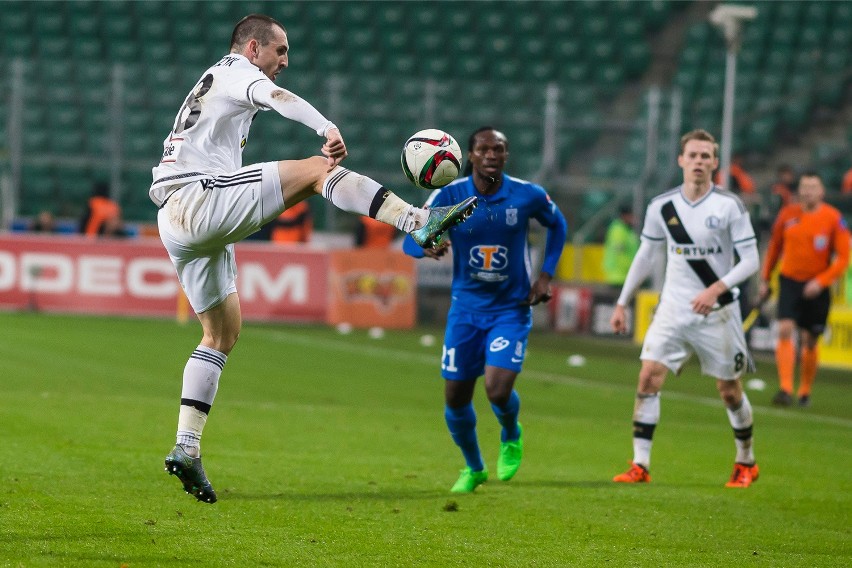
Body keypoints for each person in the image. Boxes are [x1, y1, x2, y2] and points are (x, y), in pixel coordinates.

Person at [153, 14, 477, 504]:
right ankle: (417, 220)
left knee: (222, 333)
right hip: (194, 197)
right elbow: (279, 99)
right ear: (254, 46)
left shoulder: (219, 81)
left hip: (179, 221)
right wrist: (326, 126)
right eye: (280, 51)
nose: (285, 61)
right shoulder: (238, 71)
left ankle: (187, 447)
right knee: (318, 168)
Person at [402, 127, 567, 493]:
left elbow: (558, 225)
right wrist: (425, 247)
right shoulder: (449, 194)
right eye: (484, 149)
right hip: (465, 310)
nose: (492, 155)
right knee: (456, 398)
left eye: (499, 149)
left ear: (506, 156)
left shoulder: (527, 195)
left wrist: (545, 277)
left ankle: (510, 432)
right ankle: (474, 467)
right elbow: (410, 240)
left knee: (496, 389)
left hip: (511, 308)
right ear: (470, 156)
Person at [609, 129, 761, 488]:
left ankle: (746, 461)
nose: (698, 162)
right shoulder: (662, 206)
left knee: (729, 389)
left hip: (718, 311)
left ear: (715, 162)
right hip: (673, 308)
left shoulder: (729, 206)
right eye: (692, 155)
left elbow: (751, 259)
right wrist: (621, 302)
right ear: (681, 160)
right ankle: (640, 464)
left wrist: (717, 288)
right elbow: (646, 255)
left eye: (705, 156)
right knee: (648, 376)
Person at [759, 171, 850, 408]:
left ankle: (805, 391)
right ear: (799, 190)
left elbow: (842, 257)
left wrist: (822, 281)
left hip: (817, 285)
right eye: (805, 187)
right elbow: (775, 247)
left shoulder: (833, 218)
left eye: (813, 187)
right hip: (789, 280)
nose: (808, 191)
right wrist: (765, 279)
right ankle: (785, 388)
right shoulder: (787, 215)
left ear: (821, 191)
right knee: (785, 328)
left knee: (810, 340)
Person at [602, 205, 639, 290]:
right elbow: (619, 251)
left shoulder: (627, 230)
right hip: (617, 275)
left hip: (626, 274)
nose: (633, 219)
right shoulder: (618, 229)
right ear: (624, 216)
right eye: (631, 216)